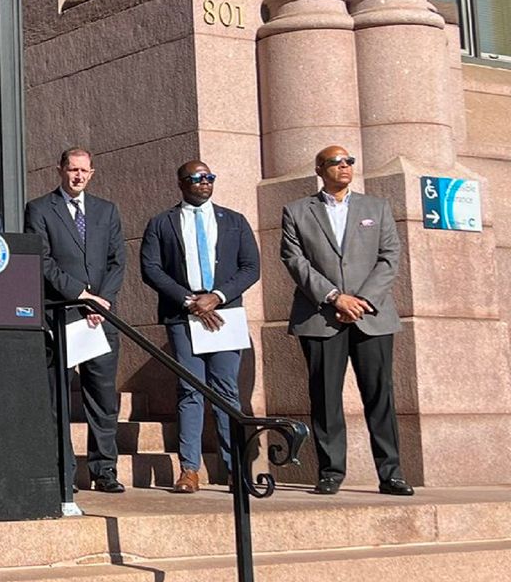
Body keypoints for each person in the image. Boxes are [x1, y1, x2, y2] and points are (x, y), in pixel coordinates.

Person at [280, 145, 413, 496]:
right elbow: (295, 261)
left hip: (372, 316)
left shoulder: (376, 207)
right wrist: (336, 297)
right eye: (336, 162)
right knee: (325, 398)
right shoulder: (296, 211)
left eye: (349, 161)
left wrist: (362, 300)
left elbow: (389, 258)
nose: (344, 166)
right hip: (322, 316)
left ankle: (391, 473)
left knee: (379, 396)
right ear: (320, 170)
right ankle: (330, 471)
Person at [139, 160, 259, 493]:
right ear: (181, 183)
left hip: (224, 316)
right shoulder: (162, 223)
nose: (203, 183)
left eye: (209, 178)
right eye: (196, 178)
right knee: (190, 390)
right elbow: (151, 269)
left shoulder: (234, 221)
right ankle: (189, 470)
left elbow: (251, 267)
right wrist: (191, 301)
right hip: (183, 316)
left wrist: (217, 297)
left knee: (226, 391)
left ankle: (236, 469)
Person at [24, 148, 127, 493]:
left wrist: (104, 300)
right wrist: (81, 296)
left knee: (102, 398)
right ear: (60, 170)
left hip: (101, 319)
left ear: (92, 173)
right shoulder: (39, 209)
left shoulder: (106, 210)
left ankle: (104, 470)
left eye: (84, 171)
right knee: (59, 400)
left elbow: (117, 262)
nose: (78, 176)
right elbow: (42, 259)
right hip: (63, 316)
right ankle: (63, 471)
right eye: (72, 170)